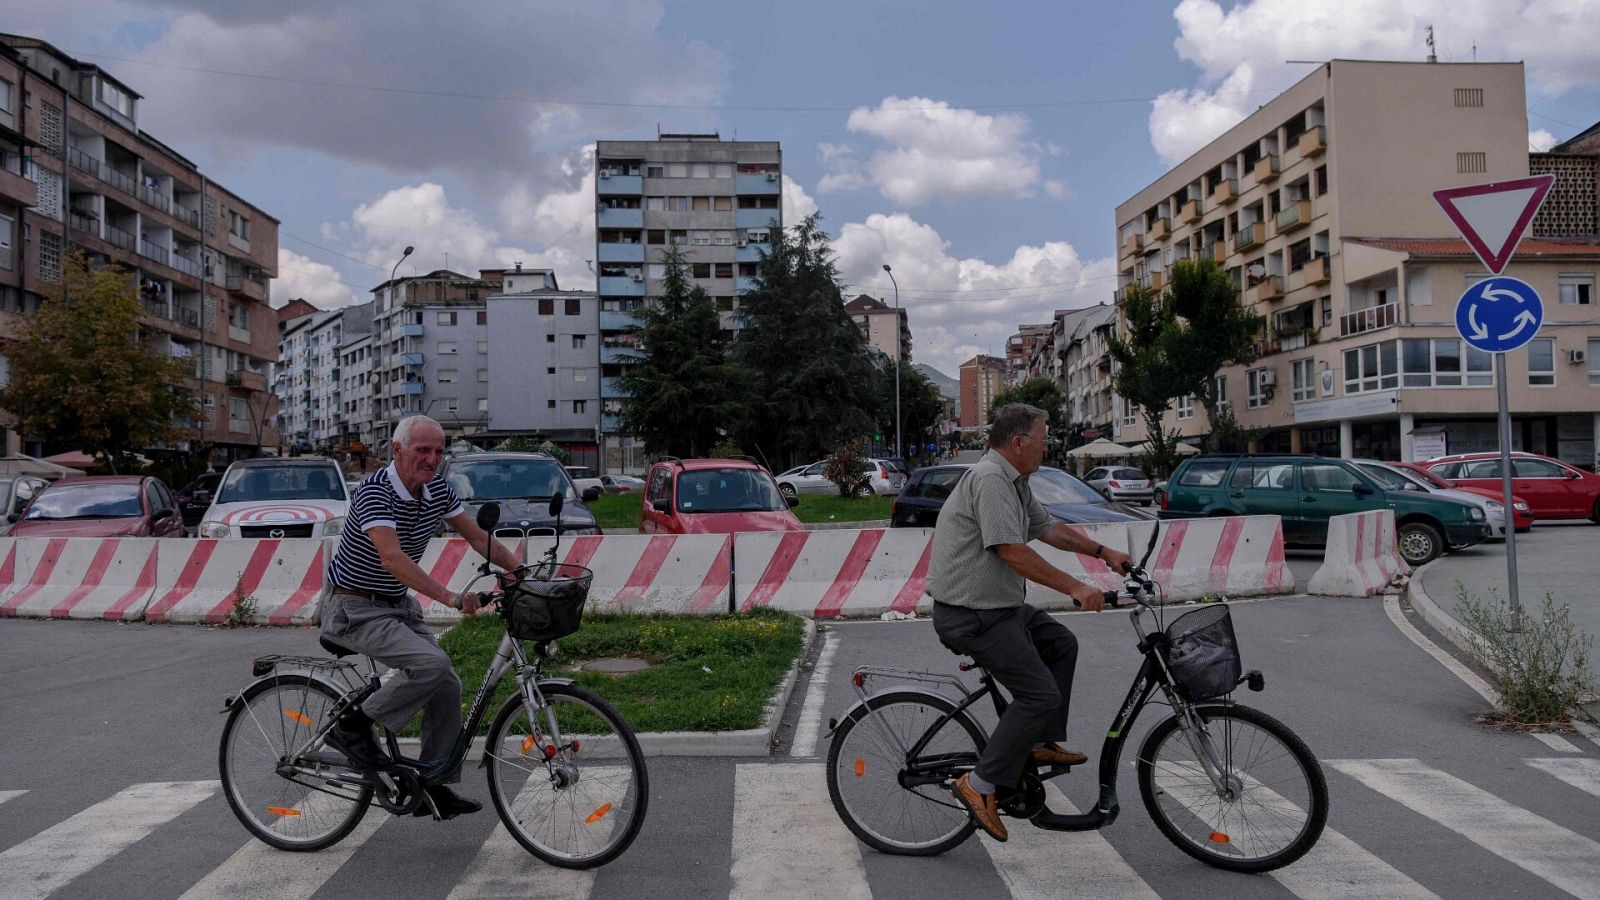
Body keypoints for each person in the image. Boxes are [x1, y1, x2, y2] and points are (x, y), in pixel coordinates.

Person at [927, 404, 1133, 842]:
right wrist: (1075, 587)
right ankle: (978, 785)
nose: (1047, 447)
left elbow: (1050, 529)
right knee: (1038, 693)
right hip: (971, 615)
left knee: (1061, 643)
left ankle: (1037, 741)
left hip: (998, 606)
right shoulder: (990, 480)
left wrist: (1103, 552)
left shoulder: (1015, 483)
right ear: (1018, 442)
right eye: (1042, 440)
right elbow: (1010, 550)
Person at [321, 415, 522, 820]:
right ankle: (352, 728)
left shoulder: (435, 490)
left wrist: (518, 571)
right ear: (397, 451)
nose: (432, 459)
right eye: (423, 450)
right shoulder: (375, 491)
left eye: (438, 451)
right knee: (432, 663)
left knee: (446, 683)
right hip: (354, 606)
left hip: (395, 605)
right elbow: (392, 557)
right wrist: (450, 597)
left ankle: (433, 784)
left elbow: (476, 536)